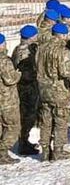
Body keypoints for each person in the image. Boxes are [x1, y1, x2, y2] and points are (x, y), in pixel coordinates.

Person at [36, 23, 70, 161]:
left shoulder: (41, 48)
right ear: (63, 35)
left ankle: (45, 151)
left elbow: (36, 66)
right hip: (59, 91)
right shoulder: (63, 51)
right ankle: (58, 150)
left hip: (44, 90)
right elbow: (66, 72)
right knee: (60, 121)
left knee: (46, 120)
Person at [12, 25, 39, 156]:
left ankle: (24, 141)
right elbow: (26, 74)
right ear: (31, 37)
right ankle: (23, 144)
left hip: (24, 87)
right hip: (26, 88)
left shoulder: (18, 48)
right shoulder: (25, 53)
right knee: (28, 116)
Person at [0, 32, 21, 164]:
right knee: (13, 126)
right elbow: (10, 79)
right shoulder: (4, 61)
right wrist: (17, 74)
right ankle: (2, 152)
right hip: (6, 100)